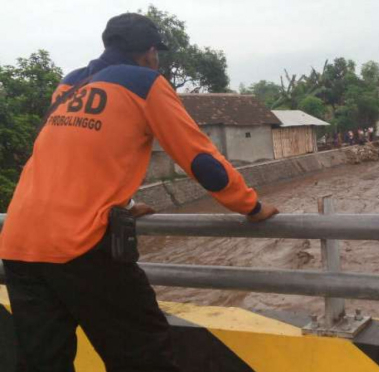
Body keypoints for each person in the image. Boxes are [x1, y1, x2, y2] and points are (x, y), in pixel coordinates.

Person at [0, 13, 278, 372]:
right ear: (149, 52)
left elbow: (69, 160)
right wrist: (251, 205)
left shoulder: (68, 86)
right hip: (80, 245)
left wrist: (125, 203)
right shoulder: (145, 83)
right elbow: (201, 160)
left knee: (43, 363)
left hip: (19, 245)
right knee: (145, 354)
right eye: (156, 54)